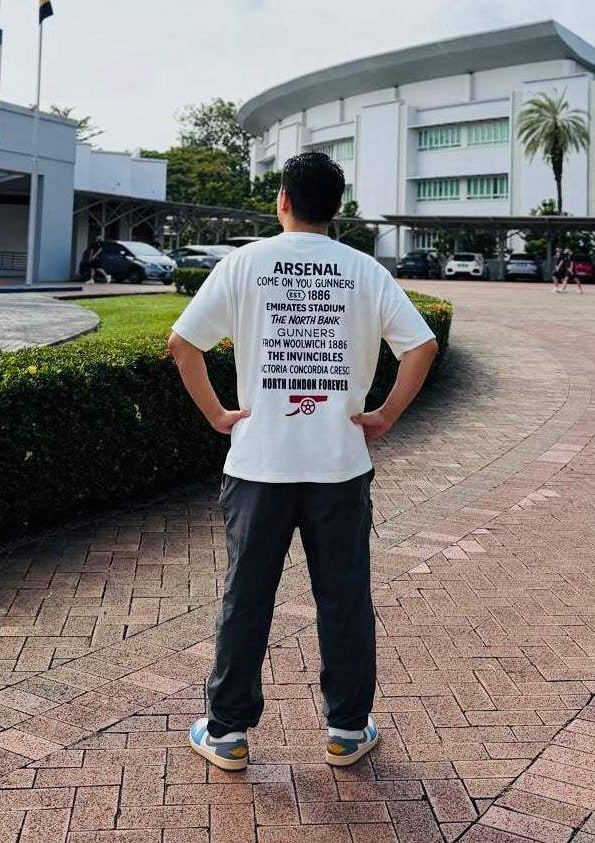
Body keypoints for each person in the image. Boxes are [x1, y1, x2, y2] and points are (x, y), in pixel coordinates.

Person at [167, 152, 438, 772]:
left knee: (246, 597)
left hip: (258, 464)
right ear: (338, 209)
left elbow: (183, 346)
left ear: (281, 200)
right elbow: (420, 346)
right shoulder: (364, 271)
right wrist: (386, 415)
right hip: (339, 466)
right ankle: (346, 729)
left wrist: (216, 414)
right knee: (342, 598)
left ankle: (228, 732)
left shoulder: (244, 263)